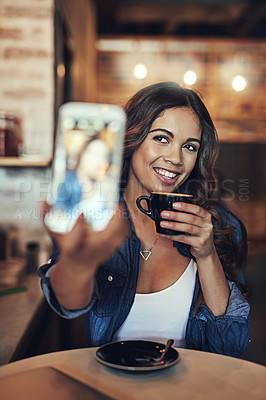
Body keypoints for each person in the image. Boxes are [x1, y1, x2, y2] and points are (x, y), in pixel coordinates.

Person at [39, 82, 250, 357]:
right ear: (132, 139)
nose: (175, 158)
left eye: (189, 146)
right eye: (161, 138)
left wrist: (207, 256)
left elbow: (230, 345)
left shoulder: (218, 226)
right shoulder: (96, 219)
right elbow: (68, 305)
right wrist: (80, 263)